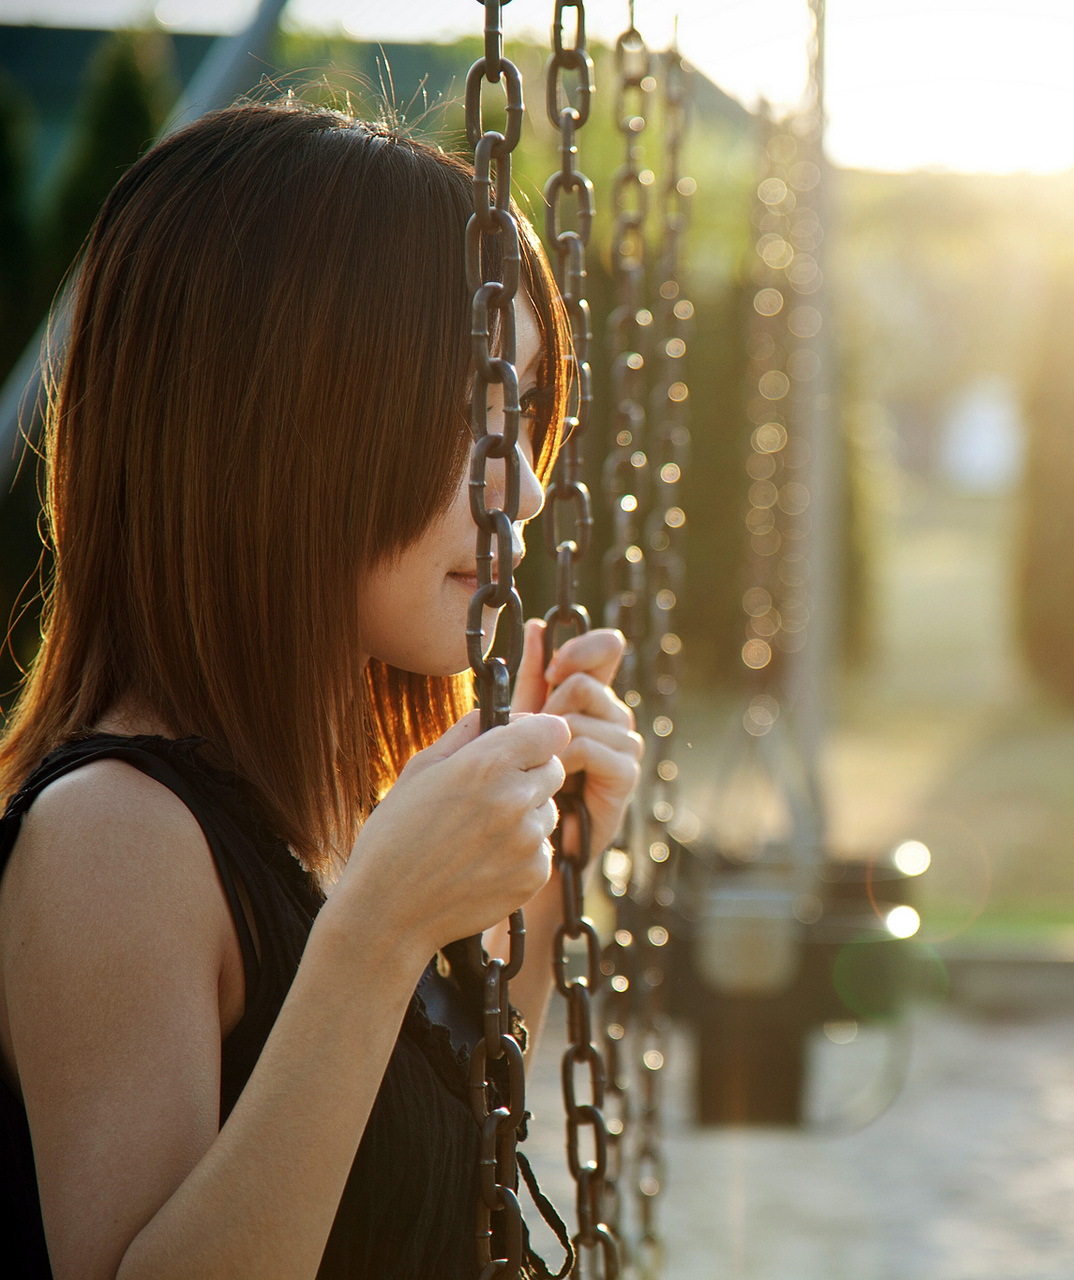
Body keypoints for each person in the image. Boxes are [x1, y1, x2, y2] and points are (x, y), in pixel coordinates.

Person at [0, 102, 642, 1280]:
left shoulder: (326, 812)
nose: (528, 496)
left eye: (529, 412)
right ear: (283, 428)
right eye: (471, 411)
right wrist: (381, 929)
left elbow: (422, 1195)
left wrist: (538, 892)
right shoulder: (113, 837)